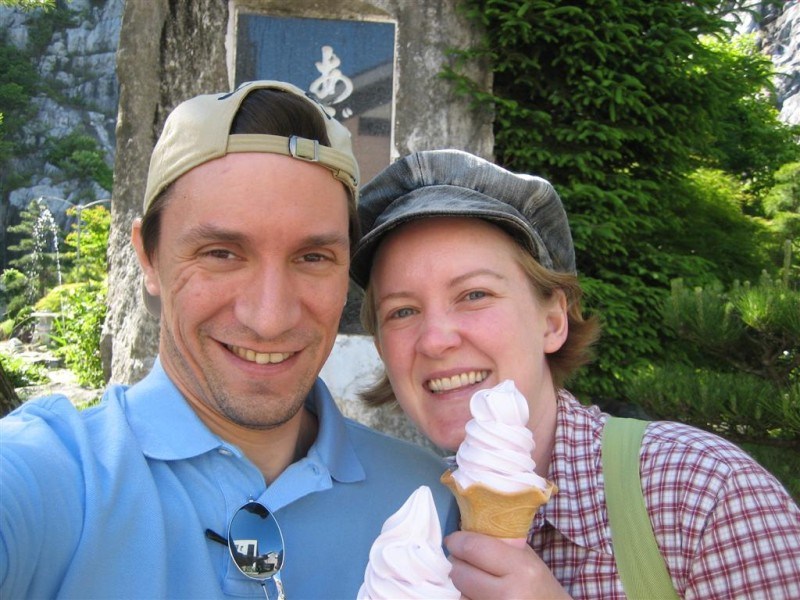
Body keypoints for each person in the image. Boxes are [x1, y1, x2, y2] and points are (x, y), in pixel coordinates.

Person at [0, 81, 458, 599]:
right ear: (148, 258)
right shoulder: (53, 478)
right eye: (221, 253)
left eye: (313, 258)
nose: (269, 318)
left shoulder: (428, 501)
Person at [350, 149, 800, 599]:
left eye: (474, 294)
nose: (434, 339)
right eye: (402, 310)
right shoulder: (395, 528)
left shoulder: (701, 492)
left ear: (553, 322)